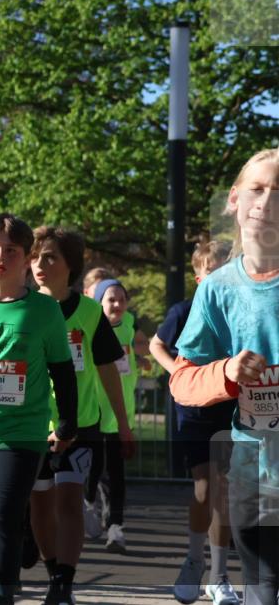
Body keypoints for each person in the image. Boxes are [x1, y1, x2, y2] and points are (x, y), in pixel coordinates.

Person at [170, 148, 279, 605]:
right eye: (257, 188)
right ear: (234, 199)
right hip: (254, 471)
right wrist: (228, 371)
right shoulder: (218, 289)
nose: (267, 201)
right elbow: (183, 380)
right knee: (262, 592)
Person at [0, 213, 77, 605]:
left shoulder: (44, 311)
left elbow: (63, 372)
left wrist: (66, 423)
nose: (0, 256)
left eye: (11, 250)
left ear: (25, 257)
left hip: (23, 432)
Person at [28, 226, 137, 605]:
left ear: (70, 265)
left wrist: (122, 425)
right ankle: (52, 568)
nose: (39, 264)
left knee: (70, 499)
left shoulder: (90, 313)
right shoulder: (24, 306)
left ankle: (64, 583)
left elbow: (108, 370)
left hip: (81, 425)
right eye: (35, 256)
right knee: (40, 506)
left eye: (50, 257)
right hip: (32, 426)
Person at [150, 240, 238, 605]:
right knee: (206, 488)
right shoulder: (183, 311)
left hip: (231, 407)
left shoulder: (241, 309)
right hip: (195, 411)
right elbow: (156, 346)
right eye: (214, 272)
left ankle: (219, 576)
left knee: (224, 489)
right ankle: (193, 559)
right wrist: (179, 375)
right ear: (199, 276)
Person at [85, 279, 138, 554]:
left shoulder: (129, 323)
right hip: (94, 413)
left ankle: (116, 528)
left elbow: (143, 345)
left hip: (120, 416)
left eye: (121, 299)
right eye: (110, 300)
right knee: (92, 471)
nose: (117, 305)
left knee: (116, 475)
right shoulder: (91, 328)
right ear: (98, 303)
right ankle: (86, 506)